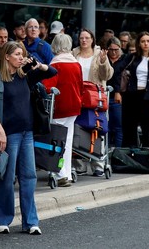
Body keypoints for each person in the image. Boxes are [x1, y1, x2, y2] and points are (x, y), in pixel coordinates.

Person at [0, 41, 56, 235]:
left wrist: (38, 65)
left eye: (22, 54)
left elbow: (52, 72)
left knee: (29, 176)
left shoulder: (25, 77)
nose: (21, 57)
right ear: (7, 56)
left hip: (27, 133)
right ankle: (1, 220)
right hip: (9, 134)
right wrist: (1, 131)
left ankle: (31, 221)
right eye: (17, 54)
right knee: (7, 177)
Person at [42, 34, 81, 187]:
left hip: (59, 107)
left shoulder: (56, 65)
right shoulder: (76, 63)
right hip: (74, 106)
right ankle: (66, 172)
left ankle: (59, 173)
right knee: (68, 141)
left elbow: (48, 87)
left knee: (56, 140)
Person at [72, 27, 112, 176]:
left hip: (95, 96)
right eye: (81, 38)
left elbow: (107, 75)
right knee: (78, 127)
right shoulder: (73, 53)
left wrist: (103, 61)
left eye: (87, 38)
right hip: (78, 96)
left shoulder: (99, 53)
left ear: (92, 40)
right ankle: (79, 163)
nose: (84, 40)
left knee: (97, 128)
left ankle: (98, 164)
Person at [120, 32, 149, 148]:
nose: (146, 44)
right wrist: (118, 92)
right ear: (139, 43)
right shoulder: (132, 57)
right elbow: (118, 71)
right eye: (143, 41)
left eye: (148, 41)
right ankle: (130, 156)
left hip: (148, 98)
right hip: (132, 96)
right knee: (130, 128)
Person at [104, 37, 127, 148]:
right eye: (111, 49)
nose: (113, 52)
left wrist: (118, 91)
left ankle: (117, 151)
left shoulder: (124, 60)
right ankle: (105, 149)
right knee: (106, 125)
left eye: (116, 49)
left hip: (118, 96)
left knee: (118, 126)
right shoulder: (104, 59)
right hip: (105, 95)